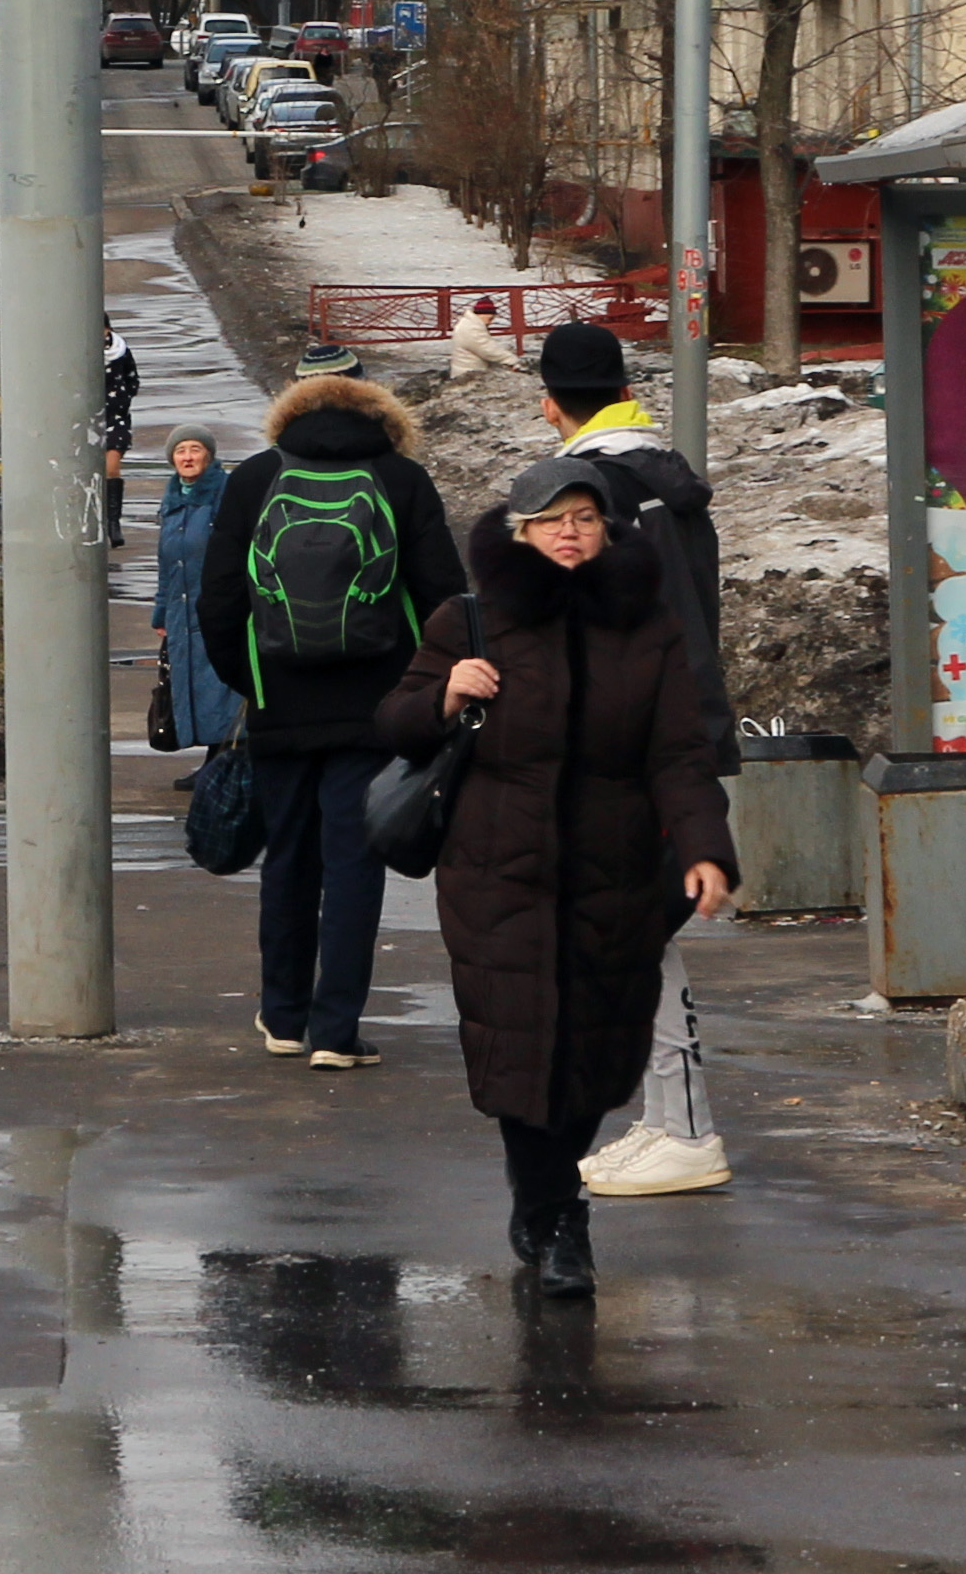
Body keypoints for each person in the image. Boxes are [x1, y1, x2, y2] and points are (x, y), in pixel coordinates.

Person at [383, 459, 740, 1300]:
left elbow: (680, 755)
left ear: (609, 530)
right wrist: (445, 694)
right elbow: (392, 724)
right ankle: (557, 1216)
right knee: (520, 1043)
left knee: (594, 1044)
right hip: (496, 869)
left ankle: (548, 1196)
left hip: (612, 869)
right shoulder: (467, 623)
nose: (570, 532)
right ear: (520, 533)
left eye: (585, 517)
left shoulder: (645, 628)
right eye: (552, 519)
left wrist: (704, 849)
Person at [196, 364, 470, 1069]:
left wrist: (251, 681)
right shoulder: (402, 480)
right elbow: (444, 596)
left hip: (279, 704)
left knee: (287, 857)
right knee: (354, 861)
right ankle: (337, 1030)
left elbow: (219, 600)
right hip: (377, 705)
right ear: (381, 419)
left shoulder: (256, 479)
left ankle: (282, 1016)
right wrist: (422, 694)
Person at [532, 316, 734, 1197]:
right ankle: (667, 1118)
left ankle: (686, 1128)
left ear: (550, 405)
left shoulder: (588, 495)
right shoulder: (666, 484)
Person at [149, 432, 244, 751]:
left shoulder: (225, 493)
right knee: (191, 684)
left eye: (195, 449)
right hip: (181, 611)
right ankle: (211, 756)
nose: (187, 457)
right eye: (180, 451)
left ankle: (223, 756)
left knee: (219, 685)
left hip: (216, 609)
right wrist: (161, 612)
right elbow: (166, 562)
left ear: (210, 455)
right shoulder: (173, 498)